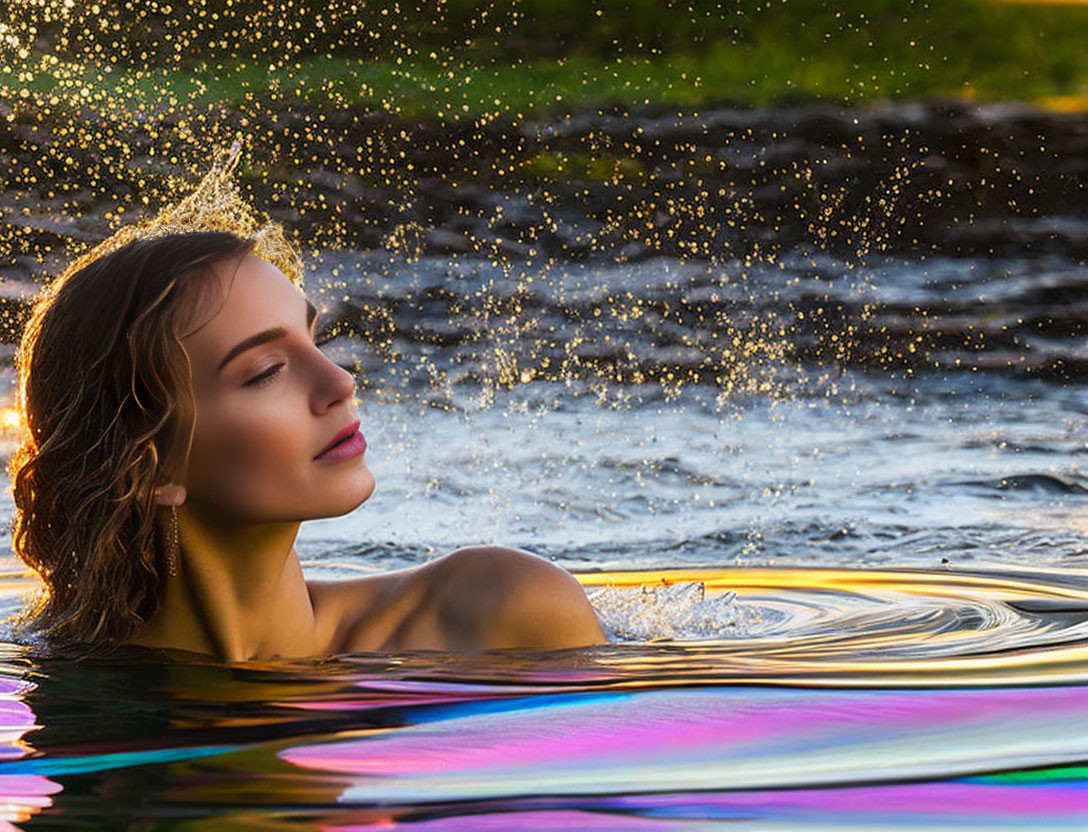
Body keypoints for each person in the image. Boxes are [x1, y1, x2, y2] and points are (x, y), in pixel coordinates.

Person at [6, 230, 608, 662]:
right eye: (266, 370)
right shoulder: (57, 682)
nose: (341, 382)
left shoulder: (502, 616)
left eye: (315, 337)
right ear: (152, 466)